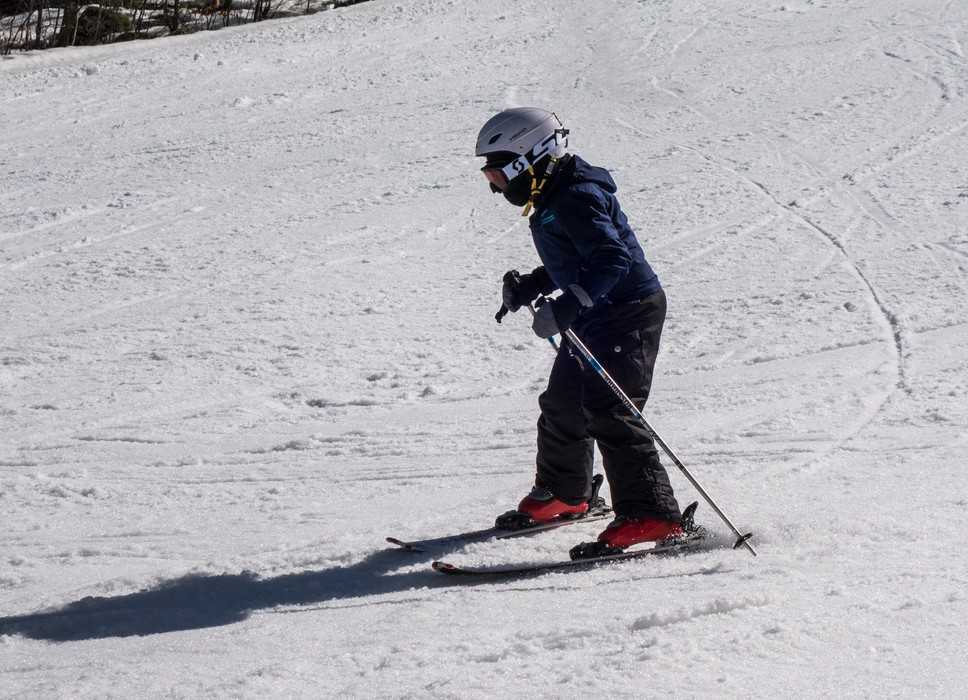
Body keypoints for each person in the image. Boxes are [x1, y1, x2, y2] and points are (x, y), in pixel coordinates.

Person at [476, 107, 684, 551]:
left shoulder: (574, 195)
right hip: (597, 315)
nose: (497, 189)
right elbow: (578, 259)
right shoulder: (554, 194)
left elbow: (612, 259)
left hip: (628, 313)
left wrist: (569, 304)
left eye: (497, 176)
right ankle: (566, 495)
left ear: (528, 160)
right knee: (563, 403)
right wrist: (532, 284)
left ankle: (652, 514)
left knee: (612, 411)